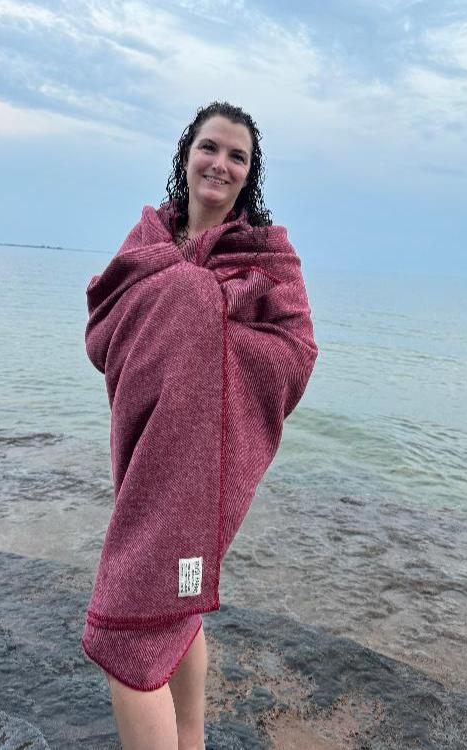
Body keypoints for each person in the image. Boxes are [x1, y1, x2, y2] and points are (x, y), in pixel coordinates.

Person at [81, 101, 318, 750]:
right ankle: (193, 740)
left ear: (250, 173)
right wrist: (186, 310)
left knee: (124, 632)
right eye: (210, 148)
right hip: (144, 444)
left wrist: (203, 314)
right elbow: (105, 326)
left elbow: (296, 351)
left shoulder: (265, 254)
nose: (221, 163)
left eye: (237, 155)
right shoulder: (149, 242)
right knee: (179, 600)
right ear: (186, 156)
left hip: (198, 466)